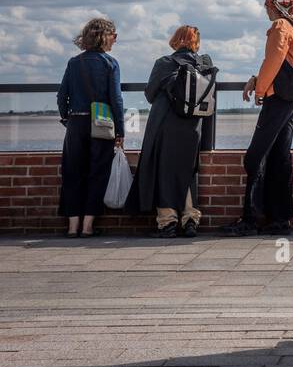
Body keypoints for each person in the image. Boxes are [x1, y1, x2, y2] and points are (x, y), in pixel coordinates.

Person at [221, 0, 293, 237]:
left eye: (266, 5)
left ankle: (251, 219)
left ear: (272, 6)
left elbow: (274, 60)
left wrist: (260, 91)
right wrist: (256, 80)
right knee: (279, 157)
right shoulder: (292, 27)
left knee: (254, 157)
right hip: (290, 99)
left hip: (277, 99)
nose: (265, 10)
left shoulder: (279, 25)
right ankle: (279, 218)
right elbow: (283, 63)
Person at [126, 26, 215, 238]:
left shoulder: (164, 63)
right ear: (196, 43)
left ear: (176, 40)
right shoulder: (205, 64)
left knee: (164, 171)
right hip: (194, 126)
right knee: (188, 171)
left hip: (165, 124)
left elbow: (150, 94)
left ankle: (167, 222)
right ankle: (191, 219)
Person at [57, 17, 125, 237]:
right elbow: (116, 99)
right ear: (105, 37)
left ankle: (72, 226)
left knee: (72, 174)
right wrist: (120, 130)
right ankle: (87, 227)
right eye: (114, 35)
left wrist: (67, 118)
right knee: (98, 173)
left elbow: (61, 96)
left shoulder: (73, 63)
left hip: (76, 122)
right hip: (101, 125)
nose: (115, 40)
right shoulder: (110, 63)